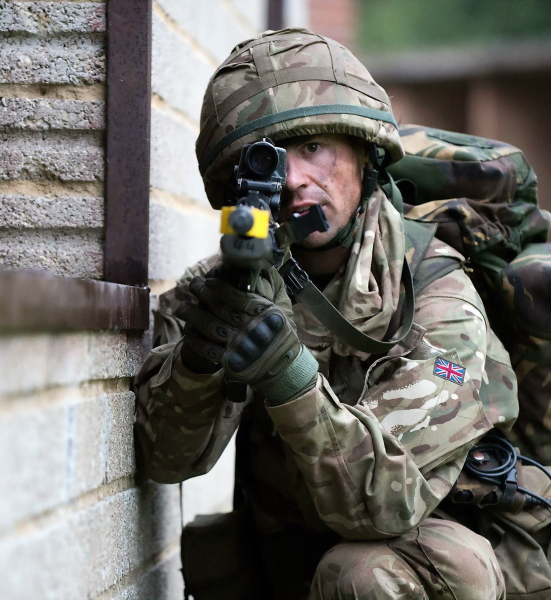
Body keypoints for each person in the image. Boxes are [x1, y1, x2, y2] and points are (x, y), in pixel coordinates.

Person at [133, 28, 524, 599]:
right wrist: (200, 360)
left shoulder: (438, 297)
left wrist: (286, 374)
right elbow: (161, 458)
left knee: (362, 572)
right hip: (286, 571)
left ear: (363, 151)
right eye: (266, 162)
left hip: (406, 574)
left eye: (313, 148)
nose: (292, 181)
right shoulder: (225, 289)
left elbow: (381, 508)